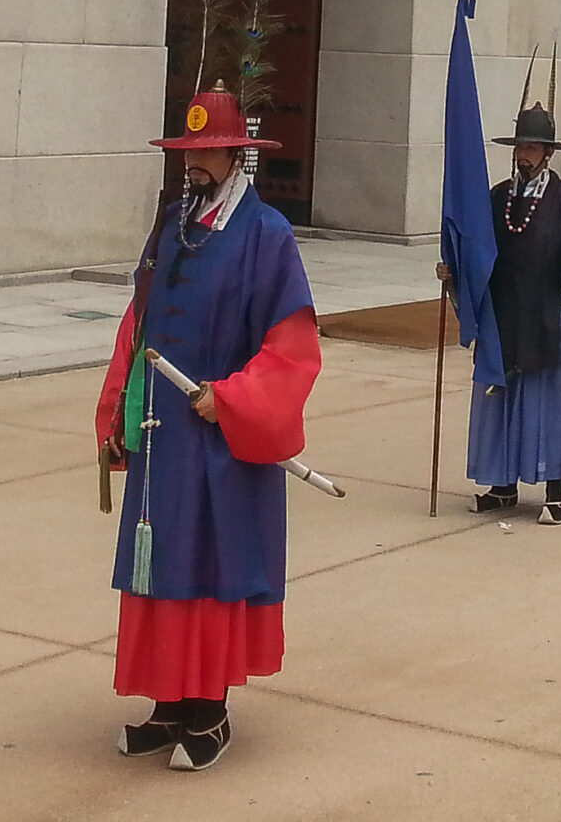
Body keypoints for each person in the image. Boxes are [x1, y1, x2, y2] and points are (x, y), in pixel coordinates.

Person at [98, 87, 321, 772]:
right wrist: (117, 410)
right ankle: (168, 704)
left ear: (234, 155)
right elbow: (138, 325)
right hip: (164, 439)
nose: (191, 168)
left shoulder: (267, 235)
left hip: (221, 439)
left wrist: (231, 398)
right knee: (159, 566)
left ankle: (211, 711)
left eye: (203, 156)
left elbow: (292, 349)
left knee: (210, 568)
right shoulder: (172, 224)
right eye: (185, 156)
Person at [457, 100, 561, 520]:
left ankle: (555, 492)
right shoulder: (498, 199)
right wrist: (456, 275)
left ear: (549, 153)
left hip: (549, 323)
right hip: (503, 321)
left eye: (533, 147)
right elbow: (476, 254)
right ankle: (503, 486)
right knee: (501, 405)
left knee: (553, 408)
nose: (524, 155)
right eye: (520, 146)